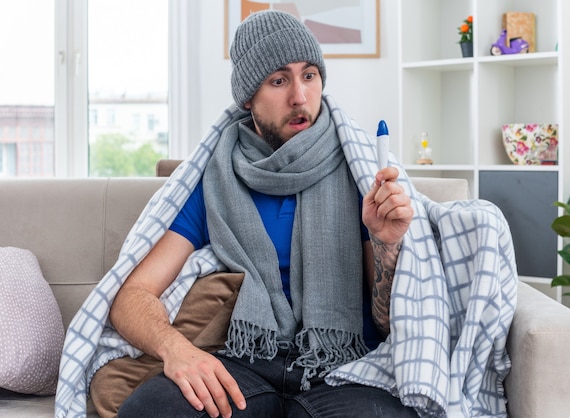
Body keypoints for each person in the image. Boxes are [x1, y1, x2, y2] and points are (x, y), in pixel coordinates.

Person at [109, 9, 416, 418]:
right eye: (278, 80)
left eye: (309, 75)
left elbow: (389, 322)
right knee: (150, 410)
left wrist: (387, 243)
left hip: (347, 368)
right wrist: (177, 351)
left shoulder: (360, 175)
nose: (300, 97)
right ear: (247, 98)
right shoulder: (216, 180)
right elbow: (132, 296)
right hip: (245, 366)